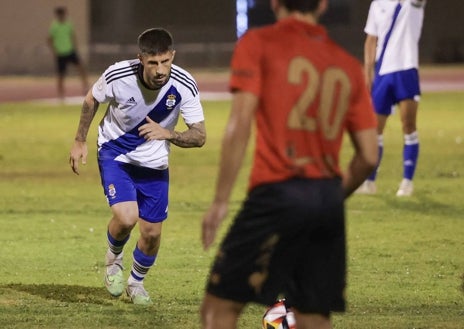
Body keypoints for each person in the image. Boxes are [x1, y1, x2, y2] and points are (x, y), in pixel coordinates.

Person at [200, 0, 378, 328]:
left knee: (219, 309)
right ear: (323, 5)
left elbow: (239, 124)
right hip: (326, 199)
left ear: (275, 3)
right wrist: (331, 196)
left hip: (276, 192)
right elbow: (369, 155)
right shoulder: (348, 65)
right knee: (313, 316)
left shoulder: (258, 43)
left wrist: (220, 201)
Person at [69, 28, 206, 305]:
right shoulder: (118, 75)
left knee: (152, 234)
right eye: (153, 63)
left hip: (155, 165)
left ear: (173, 57)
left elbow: (200, 136)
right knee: (127, 217)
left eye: (165, 62)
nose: (160, 70)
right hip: (115, 154)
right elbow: (91, 99)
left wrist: (171, 134)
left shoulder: (183, 84)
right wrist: (79, 140)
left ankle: (136, 283)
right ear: (141, 58)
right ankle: (113, 262)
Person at [357, 0, 426, 197]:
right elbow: (371, 39)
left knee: (408, 126)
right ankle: (369, 182)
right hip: (382, 73)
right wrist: (368, 72)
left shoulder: (411, 3)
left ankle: (407, 182)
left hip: (406, 69)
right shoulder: (377, 4)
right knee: (374, 129)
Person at [47, 6, 89, 100]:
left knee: (81, 68)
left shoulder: (68, 23)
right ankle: (61, 94)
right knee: (61, 74)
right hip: (61, 54)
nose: (62, 16)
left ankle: (86, 87)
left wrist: (75, 47)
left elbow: (72, 35)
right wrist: (54, 50)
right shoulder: (54, 26)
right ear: (58, 15)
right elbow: (49, 39)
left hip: (70, 51)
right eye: (60, 14)